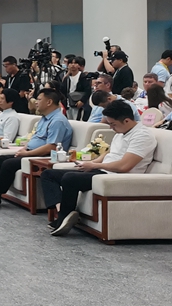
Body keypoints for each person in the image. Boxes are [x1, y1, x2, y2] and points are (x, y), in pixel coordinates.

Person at [44, 100, 157, 236]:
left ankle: (63, 217)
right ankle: (63, 211)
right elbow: (110, 153)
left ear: (127, 120)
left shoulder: (142, 136)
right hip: (103, 170)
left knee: (70, 178)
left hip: (115, 176)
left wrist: (94, 165)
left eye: (113, 124)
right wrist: (91, 163)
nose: (111, 128)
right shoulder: (121, 132)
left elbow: (124, 166)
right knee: (48, 174)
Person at [0, 88, 73, 208]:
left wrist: (27, 153)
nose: (36, 102)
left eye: (39, 99)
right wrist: (25, 148)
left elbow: (51, 147)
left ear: (49, 102)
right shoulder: (44, 118)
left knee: (8, 164)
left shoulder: (57, 121)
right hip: (31, 151)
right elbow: (36, 138)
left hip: (44, 155)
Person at [59, 56, 92, 121]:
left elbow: (88, 90)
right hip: (68, 104)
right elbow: (62, 91)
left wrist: (82, 101)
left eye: (75, 63)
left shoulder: (82, 76)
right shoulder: (66, 78)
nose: (73, 65)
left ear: (79, 65)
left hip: (79, 103)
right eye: (71, 63)